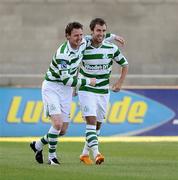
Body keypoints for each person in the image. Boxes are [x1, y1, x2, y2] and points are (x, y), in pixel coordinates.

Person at [30, 22, 96, 165]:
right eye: (75, 35)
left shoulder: (84, 41)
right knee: (58, 124)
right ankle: (52, 157)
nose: (79, 38)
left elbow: (97, 36)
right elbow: (66, 80)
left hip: (66, 90)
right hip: (52, 87)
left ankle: (38, 145)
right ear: (67, 36)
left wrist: (113, 37)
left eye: (80, 34)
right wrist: (87, 81)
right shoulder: (63, 54)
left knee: (63, 130)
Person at [78, 18, 128, 165]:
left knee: (98, 125)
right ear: (92, 31)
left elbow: (125, 64)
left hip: (103, 91)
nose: (101, 33)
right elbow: (74, 62)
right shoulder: (84, 45)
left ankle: (84, 154)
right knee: (91, 121)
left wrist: (119, 82)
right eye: (98, 30)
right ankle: (97, 154)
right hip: (86, 89)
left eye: (103, 31)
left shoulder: (111, 48)